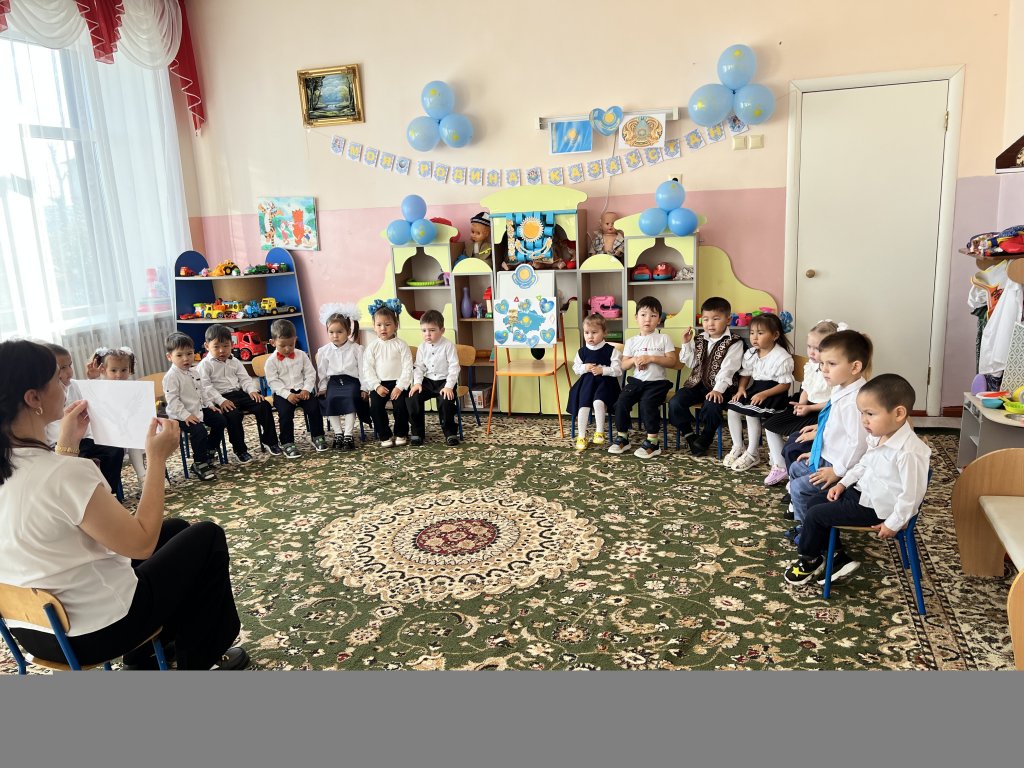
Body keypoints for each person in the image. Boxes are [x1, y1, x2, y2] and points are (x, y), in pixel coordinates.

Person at [0, 339, 248, 670]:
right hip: (97, 630)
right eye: (57, 379)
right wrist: (156, 459)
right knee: (207, 536)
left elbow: (48, 498)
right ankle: (200, 661)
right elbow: (141, 542)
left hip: (35, 630)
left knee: (175, 531)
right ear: (34, 399)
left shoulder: (25, 465)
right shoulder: (65, 473)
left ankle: (144, 658)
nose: (65, 385)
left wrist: (67, 445)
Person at [783, 373, 931, 586]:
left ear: (898, 413)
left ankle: (809, 559)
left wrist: (893, 523)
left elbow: (912, 496)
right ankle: (837, 557)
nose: (864, 420)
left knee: (816, 515)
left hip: (877, 508)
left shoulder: (908, 452)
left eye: (870, 414)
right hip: (862, 493)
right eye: (862, 413)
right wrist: (843, 483)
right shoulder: (880, 435)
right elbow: (863, 464)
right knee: (814, 501)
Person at [785, 329, 873, 543]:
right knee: (796, 468)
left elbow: (858, 445)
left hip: (845, 467)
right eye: (823, 363)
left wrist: (837, 472)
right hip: (830, 456)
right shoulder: (841, 389)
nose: (824, 369)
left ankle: (812, 535)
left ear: (855, 367)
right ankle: (806, 524)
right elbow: (834, 428)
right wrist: (817, 450)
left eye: (831, 364)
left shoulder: (855, 401)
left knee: (799, 488)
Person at [761, 320, 841, 488]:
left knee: (797, 440)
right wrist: (801, 404)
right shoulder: (810, 365)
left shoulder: (833, 371)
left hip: (823, 410)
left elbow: (834, 400)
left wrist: (809, 408)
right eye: (809, 346)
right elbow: (806, 388)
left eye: (817, 348)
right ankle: (780, 465)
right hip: (807, 405)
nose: (811, 352)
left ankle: (798, 469)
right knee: (770, 425)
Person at [41, 343, 125, 494]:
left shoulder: (74, 385)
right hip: (60, 444)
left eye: (70, 365)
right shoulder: (46, 394)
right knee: (81, 465)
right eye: (62, 368)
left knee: (115, 450)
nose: (69, 371)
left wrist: (92, 380)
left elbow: (95, 401)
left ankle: (108, 493)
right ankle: (87, 496)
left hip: (86, 438)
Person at [667, 296, 744, 456]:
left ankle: (707, 436)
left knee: (712, 405)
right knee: (675, 403)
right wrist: (686, 343)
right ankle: (690, 435)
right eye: (706, 319)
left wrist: (717, 390)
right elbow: (691, 363)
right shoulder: (700, 338)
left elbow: (728, 369)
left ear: (728, 319)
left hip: (723, 388)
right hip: (696, 384)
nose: (710, 324)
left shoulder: (734, 342)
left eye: (716, 319)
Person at [195, 325, 282, 460]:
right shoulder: (204, 365)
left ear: (232, 344)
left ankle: (270, 441)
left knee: (263, 405)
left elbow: (244, 379)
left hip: (239, 393)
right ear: (207, 346)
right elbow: (206, 387)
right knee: (233, 415)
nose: (222, 350)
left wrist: (252, 391)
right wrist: (221, 401)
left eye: (226, 346)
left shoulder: (235, 361)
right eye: (216, 347)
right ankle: (240, 450)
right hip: (220, 397)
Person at [724, 313, 795, 472]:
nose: (754, 337)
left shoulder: (781, 357)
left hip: (774, 393)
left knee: (752, 412)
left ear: (775, 335)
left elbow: (785, 385)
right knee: (732, 408)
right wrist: (741, 388)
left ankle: (752, 452)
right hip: (756, 389)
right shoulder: (752, 353)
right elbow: (746, 374)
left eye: (760, 333)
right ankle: (738, 446)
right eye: (752, 333)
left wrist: (765, 394)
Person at [609, 296, 677, 459]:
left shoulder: (663, 338)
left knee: (647, 404)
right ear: (636, 317)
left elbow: (672, 361)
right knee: (621, 402)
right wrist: (634, 360)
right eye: (643, 315)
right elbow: (624, 365)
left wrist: (651, 358)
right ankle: (623, 438)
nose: (648, 319)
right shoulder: (631, 341)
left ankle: (653, 442)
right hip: (636, 382)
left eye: (653, 316)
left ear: (659, 320)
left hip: (657, 383)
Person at [162, 332, 225, 481]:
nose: (186, 359)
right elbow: (173, 401)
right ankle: (199, 463)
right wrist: (186, 415)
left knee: (220, 420)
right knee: (199, 431)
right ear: (169, 357)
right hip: (180, 415)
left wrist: (209, 405)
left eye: (189, 354)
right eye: (179, 355)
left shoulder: (194, 371)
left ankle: (209, 450)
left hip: (198, 408)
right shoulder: (171, 377)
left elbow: (202, 392)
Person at [264, 319, 327, 458]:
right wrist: (287, 395)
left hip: (302, 389)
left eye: (291, 345)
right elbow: (273, 382)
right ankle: (287, 442)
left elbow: (310, 373)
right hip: (282, 393)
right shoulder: (271, 362)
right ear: (272, 342)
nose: (287, 349)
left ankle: (317, 436)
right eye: (282, 345)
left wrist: (307, 389)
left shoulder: (302, 355)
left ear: (295, 340)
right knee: (285, 413)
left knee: (314, 407)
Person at [88, 346, 148, 485]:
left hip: (127, 427)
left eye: (124, 370)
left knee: (141, 436)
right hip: (107, 430)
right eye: (113, 370)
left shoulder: (132, 387)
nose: (119, 375)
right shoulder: (99, 387)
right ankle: (142, 475)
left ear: (130, 369)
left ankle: (146, 475)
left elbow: (137, 408)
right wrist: (92, 379)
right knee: (132, 437)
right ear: (103, 370)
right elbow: (93, 402)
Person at [568, 313, 622, 451]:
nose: (590, 336)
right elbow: (576, 368)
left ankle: (599, 431)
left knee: (598, 402)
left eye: (594, 332)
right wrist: (585, 367)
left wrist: (602, 370)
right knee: (583, 406)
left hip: (605, 384)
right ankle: (581, 436)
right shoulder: (582, 352)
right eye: (587, 333)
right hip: (587, 385)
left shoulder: (611, 351)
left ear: (604, 332)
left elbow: (618, 370)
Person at [362, 304, 413, 447]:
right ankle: (384, 435)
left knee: (401, 406)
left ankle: (401, 433)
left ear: (396, 325)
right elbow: (368, 369)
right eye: (379, 325)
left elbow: (408, 367)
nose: (383, 328)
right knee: (375, 408)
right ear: (374, 326)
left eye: (387, 324)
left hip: (398, 383)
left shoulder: (401, 345)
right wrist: (376, 386)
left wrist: (400, 387)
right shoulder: (372, 347)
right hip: (379, 384)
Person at [407, 309, 460, 447]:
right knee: (413, 397)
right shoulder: (422, 347)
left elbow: (454, 367)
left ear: (442, 330)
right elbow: (419, 367)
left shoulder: (448, 346)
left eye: (432, 330)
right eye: (424, 330)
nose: (427, 334)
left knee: (445, 401)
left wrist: (449, 386)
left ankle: (450, 433)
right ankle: (417, 433)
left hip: (445, 381)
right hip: (428, 381)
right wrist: (417, 383)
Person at [316, 306, 366, 451]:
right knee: (330, 399)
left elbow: (363, 371)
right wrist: (323, 387)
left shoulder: (357, 349)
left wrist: (364, 388)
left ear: (348, 332)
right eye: (331, 332)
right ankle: (338, 433)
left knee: (351, 398)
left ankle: (348, 435)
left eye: (339, 332)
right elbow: (322, 372)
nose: (335, 336)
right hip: (333, 382)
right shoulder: (324, 351)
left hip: (352, 381)